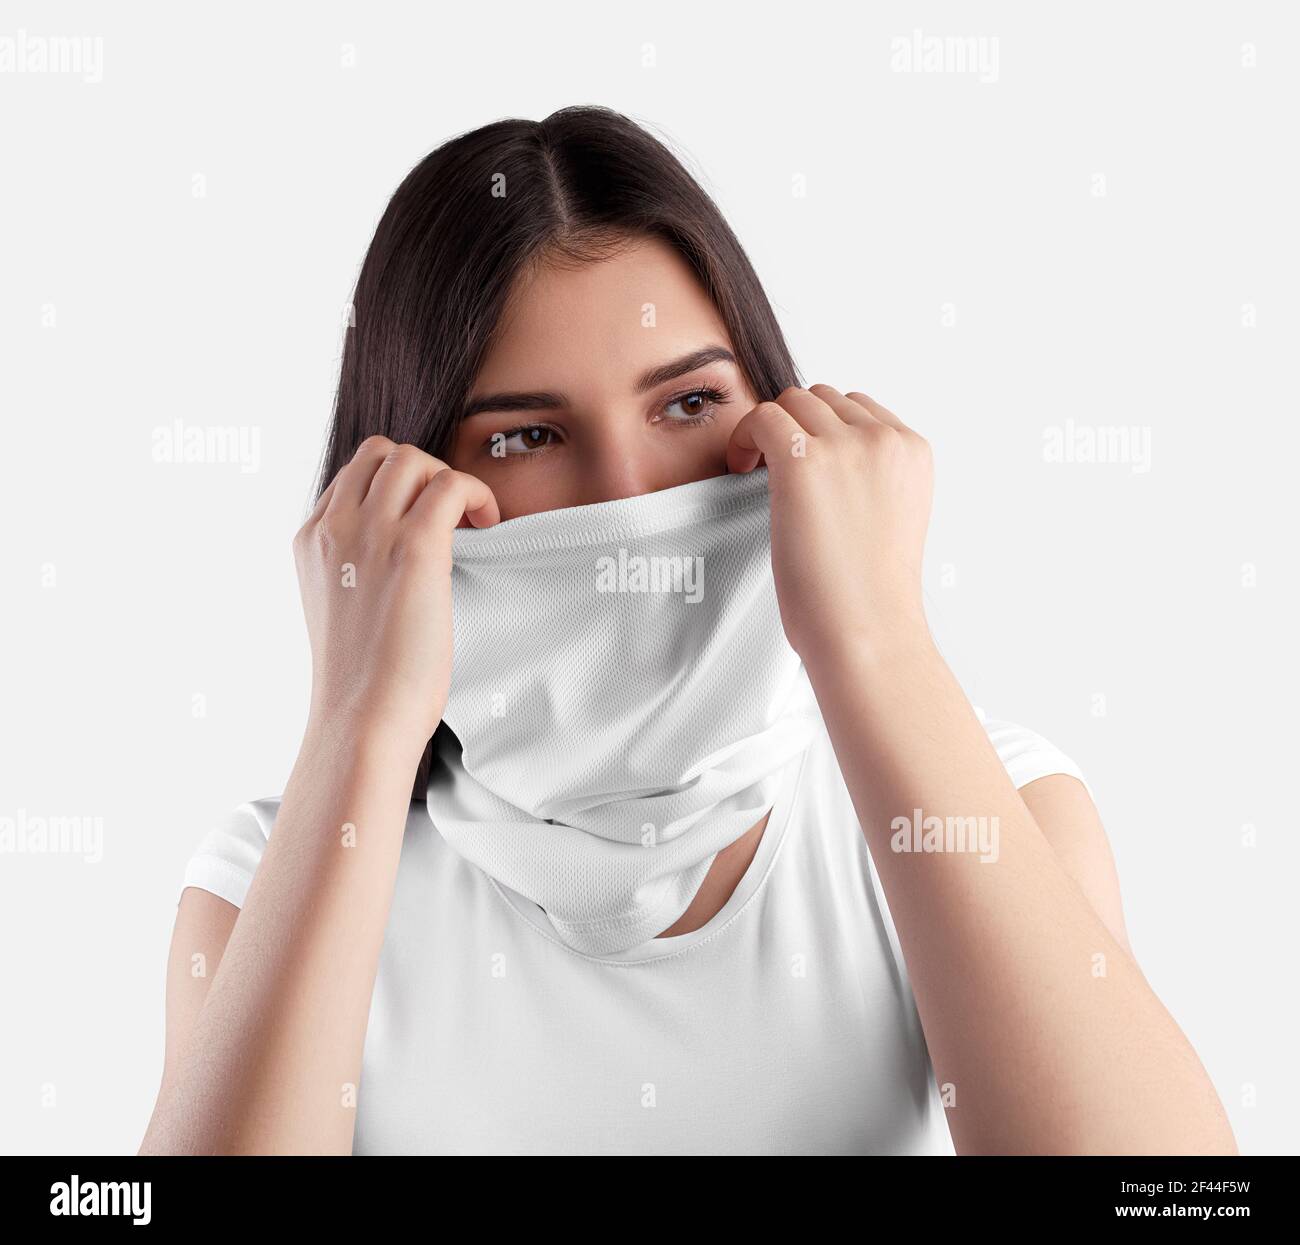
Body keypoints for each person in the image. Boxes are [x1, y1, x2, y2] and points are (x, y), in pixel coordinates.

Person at [140, 105, 1237, 1156]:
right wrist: (356, 723)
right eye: (527, 436)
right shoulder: (262, 882)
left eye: (686, 405)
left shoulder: (993, 802)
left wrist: (878, 645)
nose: (627, 494)